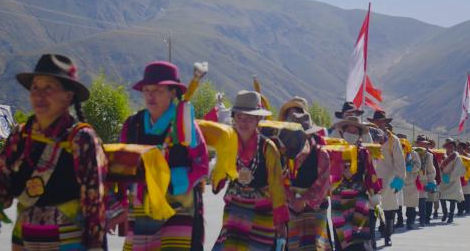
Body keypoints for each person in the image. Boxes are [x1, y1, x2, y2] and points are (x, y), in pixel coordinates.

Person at [0, 54, 107, 250]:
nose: (39, 95)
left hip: (69, 240)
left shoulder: (81, 139)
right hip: (24, 239)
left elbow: (94, 201)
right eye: (35, 87)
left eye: (49, 88)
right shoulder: (20, 135)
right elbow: (3, 197)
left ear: (68, 96)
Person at [120, 61, 209, 250]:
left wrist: (172, 181)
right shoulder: (132, 124)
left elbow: (201, 165)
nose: (151, 96)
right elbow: (121, 164)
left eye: (158, 90)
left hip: (178, 207)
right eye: (147, 90)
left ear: (172, 93)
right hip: (140, 207)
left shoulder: (185, 125)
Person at [212, 91, 288, 251]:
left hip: (262, 214)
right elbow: (218, 180)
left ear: (258, 120)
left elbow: (276, 185)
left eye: (249, 117)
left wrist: (280, 221)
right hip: (234, 210)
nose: (243, 122)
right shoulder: (228, 144)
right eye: (239, 117)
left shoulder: (268, 148)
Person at [265, 122, 332, 250]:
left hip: (316, 210)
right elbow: (279, 180)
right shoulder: (285, 153)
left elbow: (323, 184)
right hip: (292, 208)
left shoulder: (321, 154)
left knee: (316, 246)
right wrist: (291, 198)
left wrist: (304, 200)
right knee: (295, 245)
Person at [329, 116, 381, 251]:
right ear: (342, 132)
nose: (352, 134)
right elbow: (327, 172)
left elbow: (371, 174)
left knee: (360, 238)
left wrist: (374, 193)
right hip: (338, 200)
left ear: (359, 135)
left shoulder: (364, 152)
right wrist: (340, 172)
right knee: (342, 238)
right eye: (349, 131)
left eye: (355, 132)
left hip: (359, 200)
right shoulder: (334, 152)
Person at [367, 110, 405, 247]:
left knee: (389, 209)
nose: (378, 124)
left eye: (381, 121)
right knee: (372, 209)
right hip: (370, 178)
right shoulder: (366, 136)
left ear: (385, 123)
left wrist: (399, 180)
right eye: (376, 121)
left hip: (388, 179)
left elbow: (400, 161)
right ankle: (371, 239)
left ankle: (388, 236)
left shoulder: (392, 139)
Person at [438, 138, 464, 224]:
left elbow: (458, 168)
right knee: (442, 198)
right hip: (444, 180)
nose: (449, 148)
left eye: (451, 146)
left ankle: (451, 216)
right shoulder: (443, 156)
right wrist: (442, 176)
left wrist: (451, 177)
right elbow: (440, 167)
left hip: (453, 180)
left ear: (454, 147)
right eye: (447, 146)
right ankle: (445, 213)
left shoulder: (457, 157)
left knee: (453, 199)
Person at [397, 133, 420, 230]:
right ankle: (400, 220)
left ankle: (410, 221)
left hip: (411, 181)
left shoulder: (413, 153)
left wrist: (410, 167)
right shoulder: (394, 152)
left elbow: (418, 166)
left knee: (411, 204)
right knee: (397, 202)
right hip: (398, 180)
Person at [414, 135, 436, 227]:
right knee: (412, 202)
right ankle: (410, 220)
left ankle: (422, 220)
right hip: (413, 180)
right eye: (421, 143)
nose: (422, 145)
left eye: (424, 144)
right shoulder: (412, 153)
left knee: (422, 201)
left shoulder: (429, 155)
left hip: (423, 181)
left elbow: (431, 170)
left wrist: (431, 181)